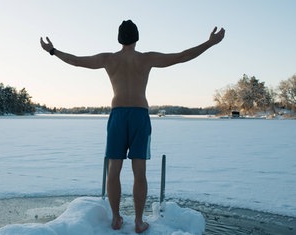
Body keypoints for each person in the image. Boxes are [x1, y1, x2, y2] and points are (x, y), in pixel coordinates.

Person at [41, 20, 225, 234]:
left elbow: (76, 61)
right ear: (136, 38)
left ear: (119, 38)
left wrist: (52, 50)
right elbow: (181, 56)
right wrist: (209, 43)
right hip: (139, 115)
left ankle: (117, 218)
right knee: (139, 171)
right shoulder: (145, 59)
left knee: (114, 170)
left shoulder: (108, 59)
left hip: (118, 115)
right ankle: (138, 221)